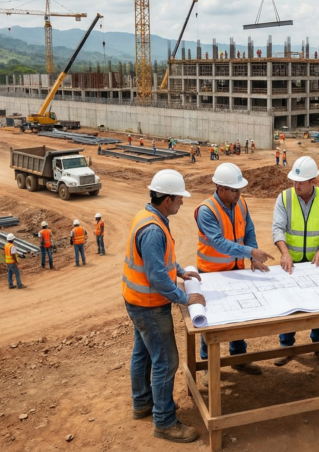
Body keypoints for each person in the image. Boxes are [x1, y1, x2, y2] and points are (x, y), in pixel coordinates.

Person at [123, 169, 201, 443]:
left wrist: (179, 271)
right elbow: (156, 276)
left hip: (136, 300)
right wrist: (184, 298)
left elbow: (159, 263)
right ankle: (164, 421)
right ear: (166, 199)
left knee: (143, 354)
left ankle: (143, 403)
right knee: (166, 361)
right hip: (150, 305)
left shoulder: (148, 217)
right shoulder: (154, 230)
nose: (181, 202)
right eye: (179, 198)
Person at [195, 163, 275, 385]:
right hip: (211, 273)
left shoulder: (241, 203)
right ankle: (208, 366)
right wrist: (250, 251)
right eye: (234, 190)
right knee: (210, 322)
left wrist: (253, 257)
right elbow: (219, 244)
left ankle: (239, 358)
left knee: (238, 316)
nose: (239, 194)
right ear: (220, 188)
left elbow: (248, 231)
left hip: (235, 269)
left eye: (240, 190)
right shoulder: (206, 211)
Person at [272, 156, 319, 366]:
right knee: (289, 304)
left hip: (315, 264)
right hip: (290, 263)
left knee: (318, 304)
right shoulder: (284, 198)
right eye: (294, 181)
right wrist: (284, 252)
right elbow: (277, 229)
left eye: (301, 181)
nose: (296, 185)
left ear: (314, 181)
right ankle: (287, 346)